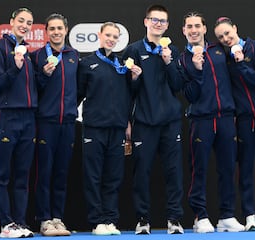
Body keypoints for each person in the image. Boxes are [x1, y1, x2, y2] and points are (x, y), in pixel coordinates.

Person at [122, 4, 185, 235]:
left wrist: (168, 62)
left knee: (174, 172)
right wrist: (135, 79)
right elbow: (128, 89)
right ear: (146, 22)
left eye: (162, 21)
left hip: (170, 122)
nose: (158, 24)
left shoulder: (173, 51)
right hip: (144, 122)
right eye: (154, 20)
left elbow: (178, 85)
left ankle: (175, 219)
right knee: (141, 172)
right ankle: (142, 219)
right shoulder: (133, 50)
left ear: (167, 26)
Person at [214, 16, 255, 231]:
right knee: (245, 168)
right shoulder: (225, 59)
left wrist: (241, 63)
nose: (225, 38)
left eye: (227, 33)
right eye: (220, 37)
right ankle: (250, 215)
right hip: (244, 119)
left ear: (235, 28)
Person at [180, 12, 245, 233]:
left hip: (226, 117)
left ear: (205, 29)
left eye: (197, 25)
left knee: (228, 168)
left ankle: (227, 215)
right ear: (183, 31)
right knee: (199, 170)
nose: (193, 30)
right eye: (189, 26)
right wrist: (197, 71)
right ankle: (201, 216)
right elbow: (189, 94)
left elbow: (236, 74)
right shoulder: (182, 59)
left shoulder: (219, 50)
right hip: (201, 120)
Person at [77, 22, 142, 236]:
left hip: (117, 128)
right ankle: (96, 221)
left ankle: (110, 219)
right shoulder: (86, 63)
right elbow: (76, 94)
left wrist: (134, 78)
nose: (111, 39)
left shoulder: (122, 64)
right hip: (94, 128)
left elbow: (130, 94)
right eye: (108, 35)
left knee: (113, 177)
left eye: (115, 36)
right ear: (100, 35)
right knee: (93, 176)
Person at [0, 7, 37, 238]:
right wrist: (15, 69)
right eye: (21, 21)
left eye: (29, 22)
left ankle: (20, 222)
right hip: (6, 116)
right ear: (12, 22)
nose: (25, 25)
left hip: (28, 118)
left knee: (23, 174)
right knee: (2, 174)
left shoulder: (28, 52)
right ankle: (6, 224)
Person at [30, 13, 79, 236]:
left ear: (66, 30)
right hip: (45, 123)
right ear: (46, 32)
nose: (56, 32)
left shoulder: (73, 55)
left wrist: (69, 110)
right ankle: (44, 219)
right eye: (52, 29)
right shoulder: (37, 56)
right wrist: (43, 76)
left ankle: (58, 218)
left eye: (60, 28)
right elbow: (31, 90)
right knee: (44, 173)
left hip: (67, 123)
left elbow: (77, 90)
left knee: (61, 173)